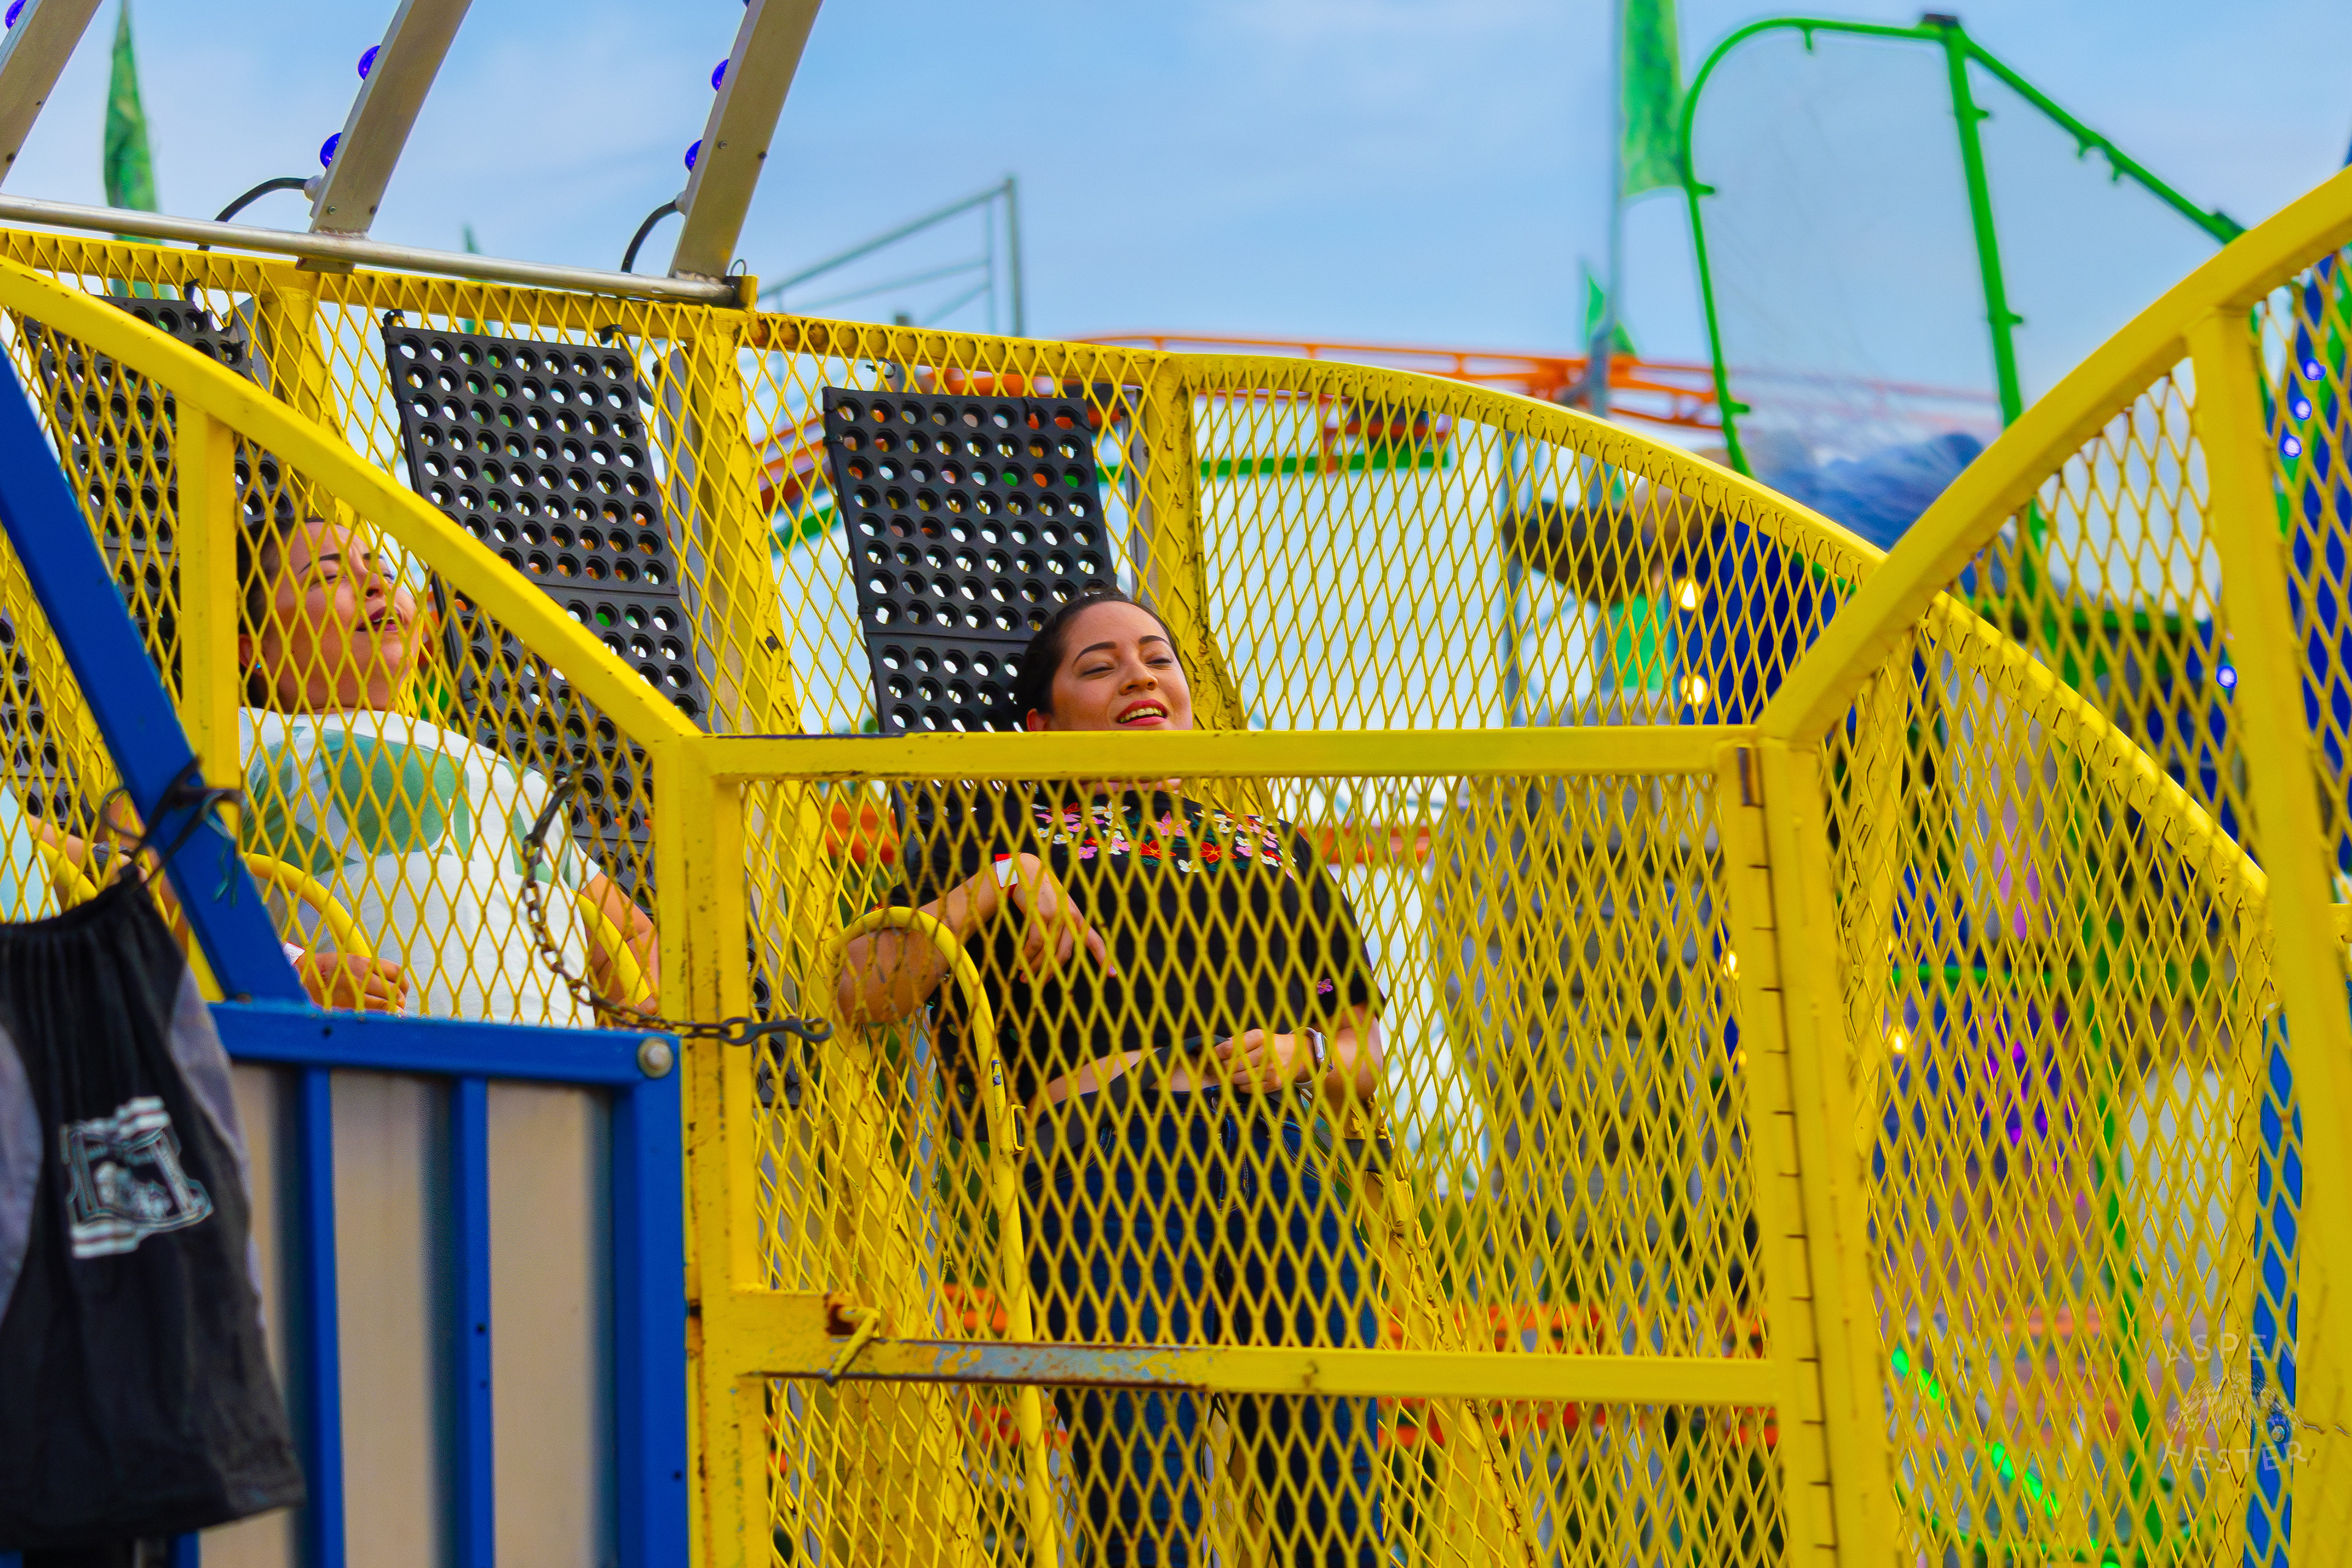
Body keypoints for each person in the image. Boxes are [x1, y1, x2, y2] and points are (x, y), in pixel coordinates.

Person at [836, 590, 1385, 1567]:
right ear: (1042, 725)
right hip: (1107, 1153)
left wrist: (1300, 1056)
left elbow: (1362, 1053)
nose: (1139, 675)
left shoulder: (1270, 844)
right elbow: (860, 990)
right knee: (1146, 1488)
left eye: (1157, 657)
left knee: (1332, 1491)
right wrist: (998, 881)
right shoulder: (1004, 818)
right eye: (1099, 666)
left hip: (1278, 1151)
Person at [233, 514, 656, 1025]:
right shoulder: (245, 732)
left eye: (383, 571)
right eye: (327, 576)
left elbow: (625, 934)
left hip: (564, 1076)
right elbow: (129, 868)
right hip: (384, 1071)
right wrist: (288, 970)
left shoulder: (497, 766)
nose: (375, 584)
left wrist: (654, 1012)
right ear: (250, 648)